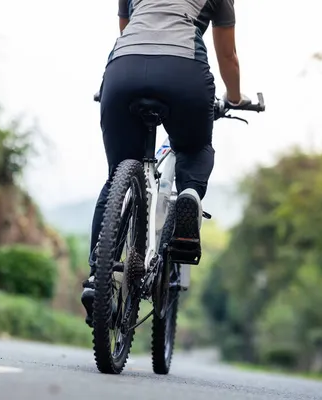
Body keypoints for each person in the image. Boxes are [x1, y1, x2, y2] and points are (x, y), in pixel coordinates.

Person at [81, 0, 250, 327]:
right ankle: (189, 196)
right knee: (194, 149)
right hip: (183, 73)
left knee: (117, 173)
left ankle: (95, 277)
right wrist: (234, 98)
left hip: (121, 71)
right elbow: (227, 55)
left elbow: (126, 30)